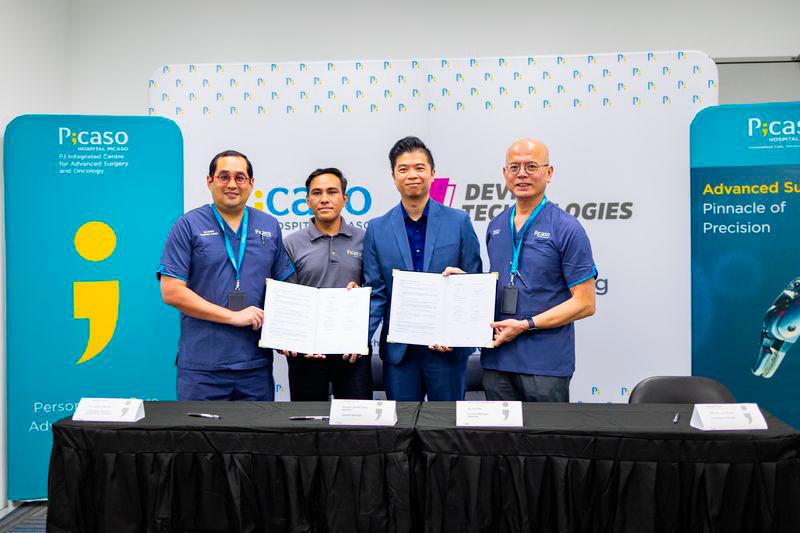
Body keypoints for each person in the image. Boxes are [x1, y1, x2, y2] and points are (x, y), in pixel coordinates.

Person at [158, 150, 294, 401]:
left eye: (240, 177)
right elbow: (171, 291)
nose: (232, 184)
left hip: (255, 368)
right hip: (202, 369)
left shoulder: (269, 226)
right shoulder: (188, 225)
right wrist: (232, 316)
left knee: (255, 440)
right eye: (224, 176)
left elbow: (284, 289)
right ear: (210, 181)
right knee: (200, 439)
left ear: (251, 184)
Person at [363, 136, 482, 401]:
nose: (412, 175)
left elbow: (475, 284)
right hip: (400, 354)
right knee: (403, 429)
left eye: (419, 167)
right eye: (403, 169)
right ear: (393, 176)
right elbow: (377, 294)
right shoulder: (377, 229)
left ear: (433, 173)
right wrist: (356, 338)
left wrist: (459, 334)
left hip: (447, 350)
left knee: (447, 430)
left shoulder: (459, 222)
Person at [482, 137, 597, 402]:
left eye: (531, 166)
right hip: (497, 360)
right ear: (504, 173)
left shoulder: (567, 228)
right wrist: (462, 285)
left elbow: (585, 303)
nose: (522, 174)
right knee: (499, 442)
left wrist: (526, 325)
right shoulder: (496, 226)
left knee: (544, 443)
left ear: (549, 172)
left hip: (544, 365)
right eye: (514, 167)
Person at [281, 167, 371, 400]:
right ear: (308, 200)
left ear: (344, 199)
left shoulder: (365, 239)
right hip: (306, 353)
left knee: (357, 426)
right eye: (317, 193)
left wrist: (362, 292)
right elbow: (287, 298)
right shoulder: (291, 243)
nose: (324, 199)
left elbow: (377, 291)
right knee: (307, 427)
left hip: (352, 352)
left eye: (332, 192)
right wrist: (297, 341)